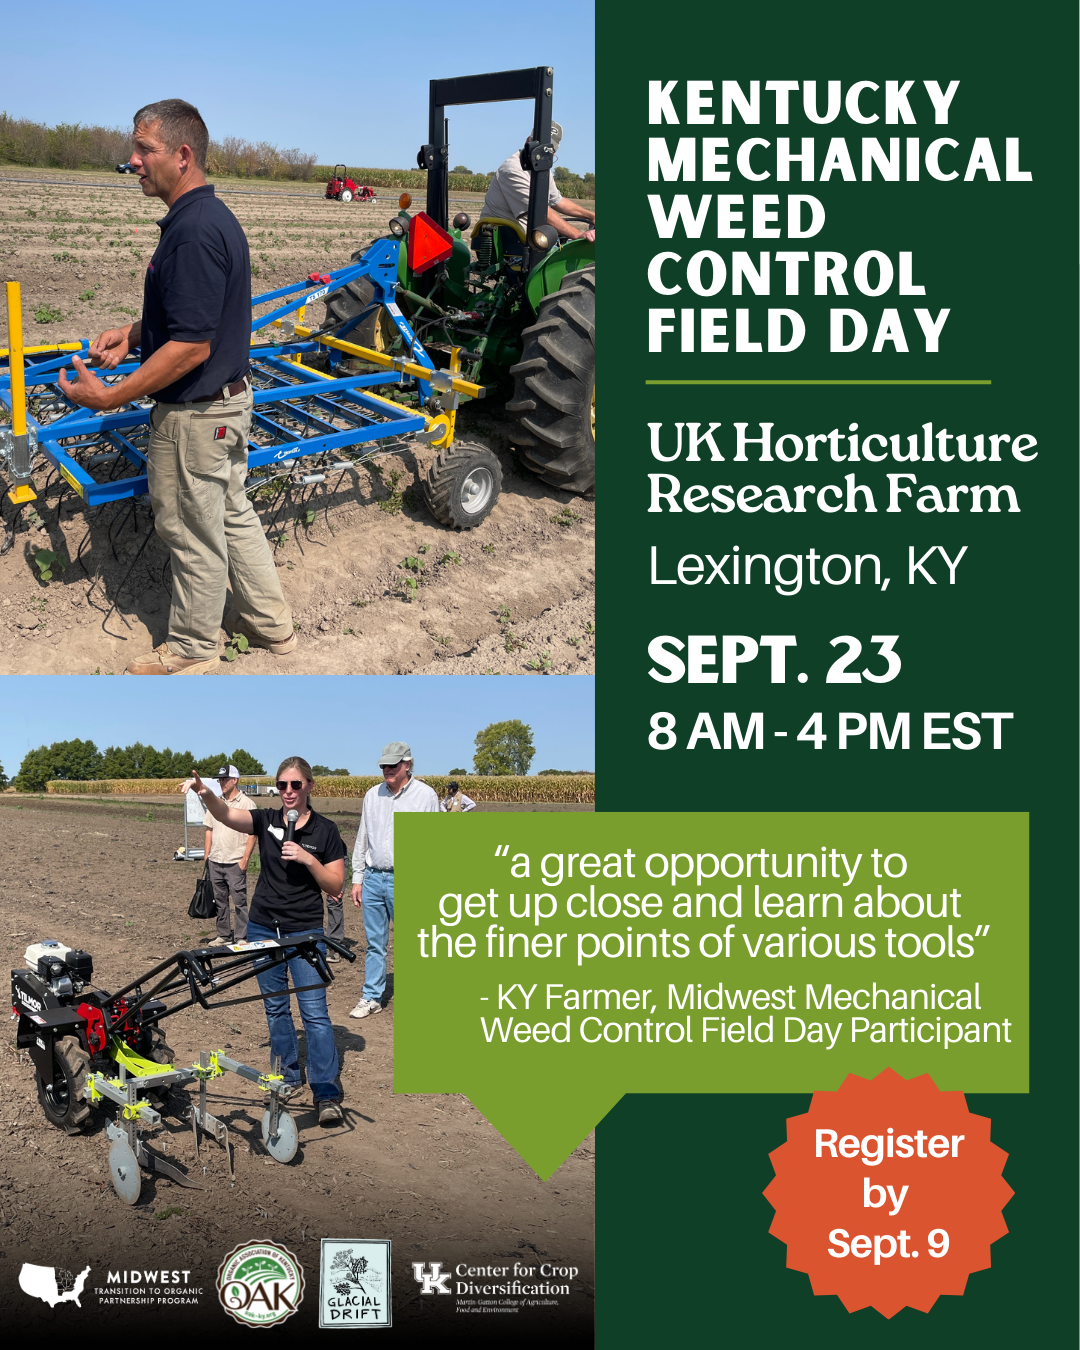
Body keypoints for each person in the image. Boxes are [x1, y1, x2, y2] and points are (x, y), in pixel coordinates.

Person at [58, 98, 295, 675]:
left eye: (144, 149)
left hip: (195, 419)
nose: (132, 161)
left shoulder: (191, 233)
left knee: (191, 532)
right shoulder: (208, 219)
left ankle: (192, 647)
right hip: (226, 407)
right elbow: (193, 319)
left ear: (182, 155)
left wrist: (112, 396)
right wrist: (133, 333)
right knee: (231, 514)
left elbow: (192, 346)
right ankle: (271, 627)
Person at [183, 756, 347, 1126]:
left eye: (295, 785)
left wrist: (308, 859)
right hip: (262, 928)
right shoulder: (268, 819)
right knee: (275, 1009)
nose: (288, 792)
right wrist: (205, 792)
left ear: (309, 786)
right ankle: (287, 1076)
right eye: (282, 786)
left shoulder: (326, 831)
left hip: (304, 932)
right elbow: (226, 815)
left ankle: (326, 1092)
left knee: (314, 1013)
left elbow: (335, 885)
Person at [349, 742, 439, 1019]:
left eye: (392, 765)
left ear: (407, 764)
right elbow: (363, 837)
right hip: (374, 878)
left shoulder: (426, 796)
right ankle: (371, 997)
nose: (386, 770)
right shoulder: (372, 796)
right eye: (383, 766)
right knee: (375, 943)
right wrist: (358, 878)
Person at [480, 123, 595, 242]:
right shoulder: (513, 169)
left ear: (554, 152)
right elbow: (540, 211)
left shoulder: (541, 168)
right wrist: (579, 235)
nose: (543, 153)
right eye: (540, 147)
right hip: (506, 243)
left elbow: (557, 201)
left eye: (549, 150)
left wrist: (591, 216)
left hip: (531, 239)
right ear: (528, 141)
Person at [203, 764, 255, 946]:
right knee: (220, 901)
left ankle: (242, 936)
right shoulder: (216, 802)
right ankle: (223, 935)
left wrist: (245, 859)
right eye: (220, 780)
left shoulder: (247, 804)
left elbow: (253, 833)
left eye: (225, 779)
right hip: (216, 860)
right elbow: (209, 829)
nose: (222, 783)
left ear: (235, 780)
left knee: (239, 901)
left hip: (235, 860)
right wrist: (207, 854)